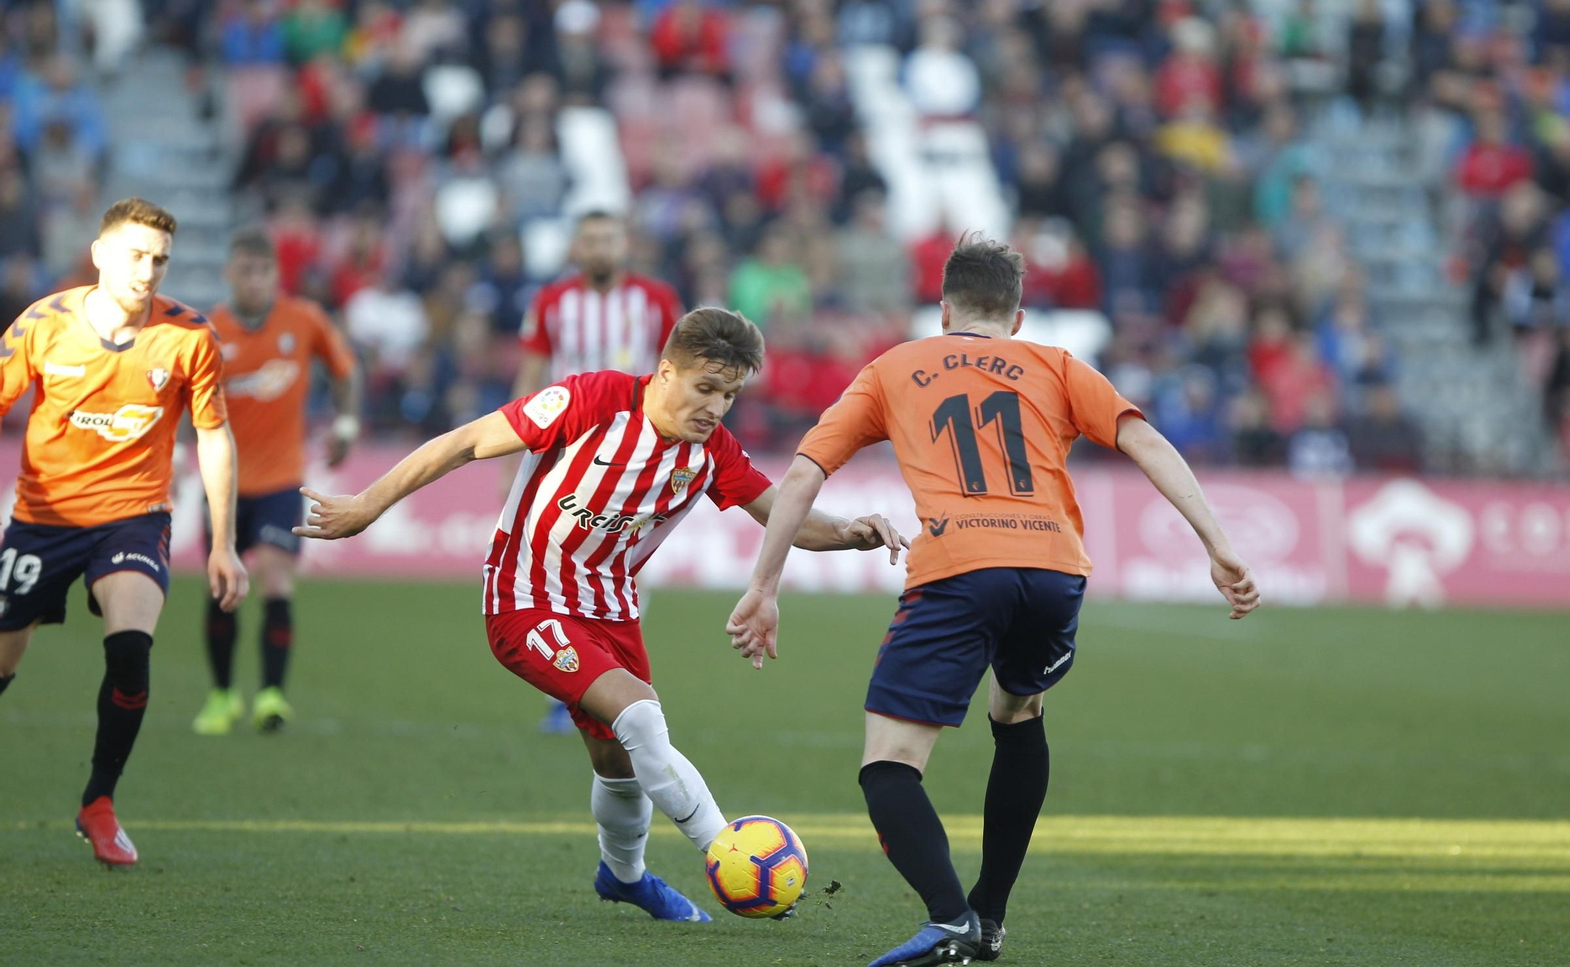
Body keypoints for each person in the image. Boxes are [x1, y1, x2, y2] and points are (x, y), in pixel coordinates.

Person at [727, 239, 1260, 966]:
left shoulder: (892, 367)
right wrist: (1217, 542)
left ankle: (951, 918)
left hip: (959, 565)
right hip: (1054, 569)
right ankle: (990, 913)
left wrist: (763, 586)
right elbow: (1146, 440)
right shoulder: (1057, 364)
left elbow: (801, 477)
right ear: (1018, 314)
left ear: (943, 308)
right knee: (1018, 710)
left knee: (889, 764)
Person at [296, 306, 906, 921]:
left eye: (730, 393)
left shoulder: (712, 452)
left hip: (612, 613)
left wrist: (854, 531)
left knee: (618, 765)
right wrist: (367, 504)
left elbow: (786, 517)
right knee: (641, 719)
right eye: (706, 388)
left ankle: (623, 876)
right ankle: (732, 853)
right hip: (525, 601)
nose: (717, 407)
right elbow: (466, 442)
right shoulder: (590, 400)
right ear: (666, 372)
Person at [0, 198, 249, 867]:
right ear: (100, 252)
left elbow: (214, 435)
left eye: (160, 259)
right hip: (41, 519)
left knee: (132, 648)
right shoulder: (44, 324)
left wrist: (222, 541)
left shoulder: (190, 336)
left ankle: (99, 801)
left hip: (134, 516)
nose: (149, 270)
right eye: (137, 255)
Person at [513, 208, 683, 733]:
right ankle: (566, 687)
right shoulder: (551, 302)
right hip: (565, 447)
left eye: (609, 238)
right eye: (590, 239)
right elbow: (532, 372)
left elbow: (677, 370)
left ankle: (605, 678)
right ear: (577, 248)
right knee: (552, 565)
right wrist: (516, 448)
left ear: (623, 244)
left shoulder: (655, 300)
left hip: (636, 453)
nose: (600, 247)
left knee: (628, 568)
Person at [192, 229, 360, 735]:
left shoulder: (304, 320)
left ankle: (271, 695)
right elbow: (186, 399)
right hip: (222, 482)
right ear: (229, 274)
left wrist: (347, 425)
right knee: (223, 585)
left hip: (283, 480)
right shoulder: (209, 331)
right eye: (245, 270)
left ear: (275, 275)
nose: (255, 280)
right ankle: (222, 696)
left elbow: (346, 371)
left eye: (263, 271)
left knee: (276, 579)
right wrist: (180, 452)